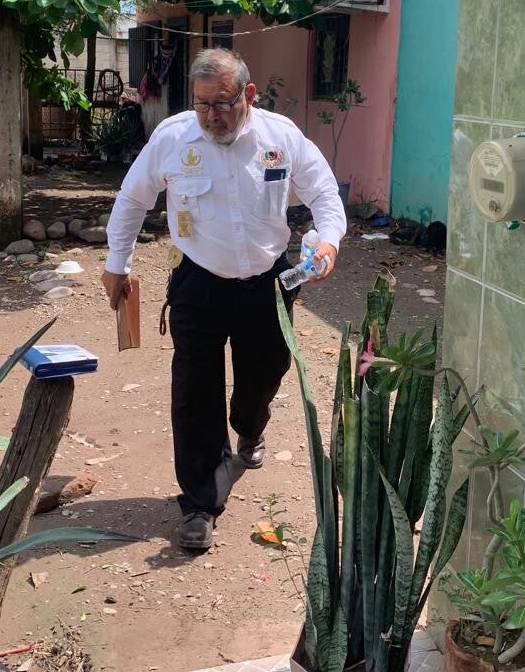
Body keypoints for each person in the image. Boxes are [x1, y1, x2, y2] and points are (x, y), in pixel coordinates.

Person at [102, 47, 346, 552]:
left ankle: (250, 428)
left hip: (268, 282)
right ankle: (199, 503)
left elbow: (323, 192)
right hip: (199, 281)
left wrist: (328, 241)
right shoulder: (173, 138)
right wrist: (117, 263)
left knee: (265, 374)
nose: (211, 115)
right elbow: (133, 198)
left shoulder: (280, 137)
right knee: (195, 390)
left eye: (222, 103)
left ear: (248, 95)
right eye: (202, 104)